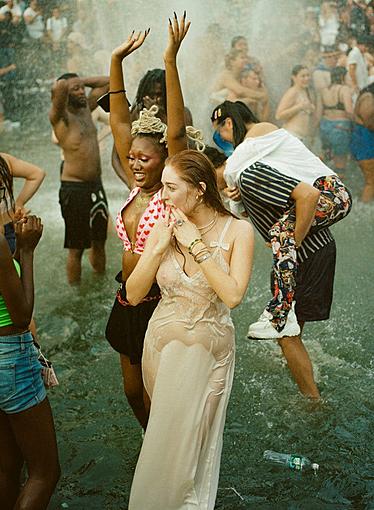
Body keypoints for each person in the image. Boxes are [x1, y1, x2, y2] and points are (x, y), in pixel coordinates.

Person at [126, 148, 253, 510]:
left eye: (170, 188)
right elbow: (133, 295)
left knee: (189, 451)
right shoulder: (162, 225)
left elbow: (232, 295)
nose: (163, 196)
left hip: (208, 351)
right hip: (161, 346)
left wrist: (195, 244)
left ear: (199, 189)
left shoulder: (238, 230)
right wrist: (156, 249)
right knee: (162, 441)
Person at [211, 100, 352, 398]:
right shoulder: (264, 155)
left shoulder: (250, 155)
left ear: (228, 122)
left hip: (325, 210)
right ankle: (282, 321)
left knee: (282, 236)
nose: (223, 140)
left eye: (220, 132)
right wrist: (235, 195)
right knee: (292, 332)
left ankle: (313, 401)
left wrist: (293, 241)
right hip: (322, 233)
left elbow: (307, 194)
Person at [105, 14, 199, 430]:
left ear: (164, 160)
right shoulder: (134, 183)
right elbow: (119, 122)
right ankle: (153, 447)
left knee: (153, 390)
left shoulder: (167, 189)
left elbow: (176, 130)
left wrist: (171, 60)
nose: (137, 164)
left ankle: (170, 454)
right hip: (127, 300)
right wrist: (116, 61)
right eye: (132, 158)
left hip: (162, 302)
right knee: (130, 392)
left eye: (146, 158)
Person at [0, 179, 60, 509]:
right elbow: (21, 315)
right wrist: (25, 250)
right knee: (44, 472)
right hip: (9, 355)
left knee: (6, 467)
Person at [49, 72, 109, 284]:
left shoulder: (86, 110)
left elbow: (108, 81)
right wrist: (67, 85)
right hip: (74, 190)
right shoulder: (61, 118)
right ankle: (75, 293)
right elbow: (57, 93)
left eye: (82, 87)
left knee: (100, 240)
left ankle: (99, 283)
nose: (82, 91)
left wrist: (79, 81)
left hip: (96, 186)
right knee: (77, 248)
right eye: (75, 89)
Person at [0, 152, 46, 253]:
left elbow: (37, 174)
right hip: (9, 229)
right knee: (16, 265)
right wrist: (19, 203)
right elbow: (37, 174)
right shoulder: (4, 160)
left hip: (7, 229)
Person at [320, 66, 353, 174]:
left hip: (325, 125)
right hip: (340, 127)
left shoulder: (324, 90)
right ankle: (339, 182)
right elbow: (349, 111)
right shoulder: (344, 89)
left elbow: (318, 112)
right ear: (343, 76)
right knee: (340, 159)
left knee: (326, 154)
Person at [276, 64, 318, 146]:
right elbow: (279, 115)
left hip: (303, 137)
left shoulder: (306, 92)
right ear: (294, 78)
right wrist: (299, 107)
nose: (306, 78)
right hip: (292, 135)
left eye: (308, 75)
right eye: (303, 76)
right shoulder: (292, 92)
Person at [350, 83, 374, 202]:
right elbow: (368, 122)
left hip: (363, 140)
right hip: (364, 141)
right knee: (371, 181)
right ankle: (363, 208)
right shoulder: (369, 97)